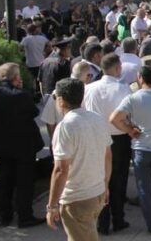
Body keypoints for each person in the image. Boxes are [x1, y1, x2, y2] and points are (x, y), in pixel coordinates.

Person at [110, 66, 151, 236]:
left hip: (141, 150)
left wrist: (129, 130)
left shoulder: (132, 98)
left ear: (140, 78)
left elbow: (114, 119)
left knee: (144, 191)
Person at [46, 78, 112, 241]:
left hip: (77, 199)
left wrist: (52, 206)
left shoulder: (65, 126)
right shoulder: (97, 118)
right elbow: (108, 155)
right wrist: (105, 185)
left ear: (61, 100)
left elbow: (61, 170)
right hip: (97, 193)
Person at [82, 53, 132, 234]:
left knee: (99, 179)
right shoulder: (123, 88)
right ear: (117, 68)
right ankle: (118, 218)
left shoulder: (89, 89)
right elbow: (128, 114)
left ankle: (102, 222)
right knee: (119, 179)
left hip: (96, 137)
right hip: (118, 138)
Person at [0, 63, 45, 228]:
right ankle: (25, 216)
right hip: (23, 145)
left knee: (4, 181)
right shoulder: (21, 95)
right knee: (24, 182)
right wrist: (22, 90)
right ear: (15, 78)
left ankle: (5, 215)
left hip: (2, 144)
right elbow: (34, 112)